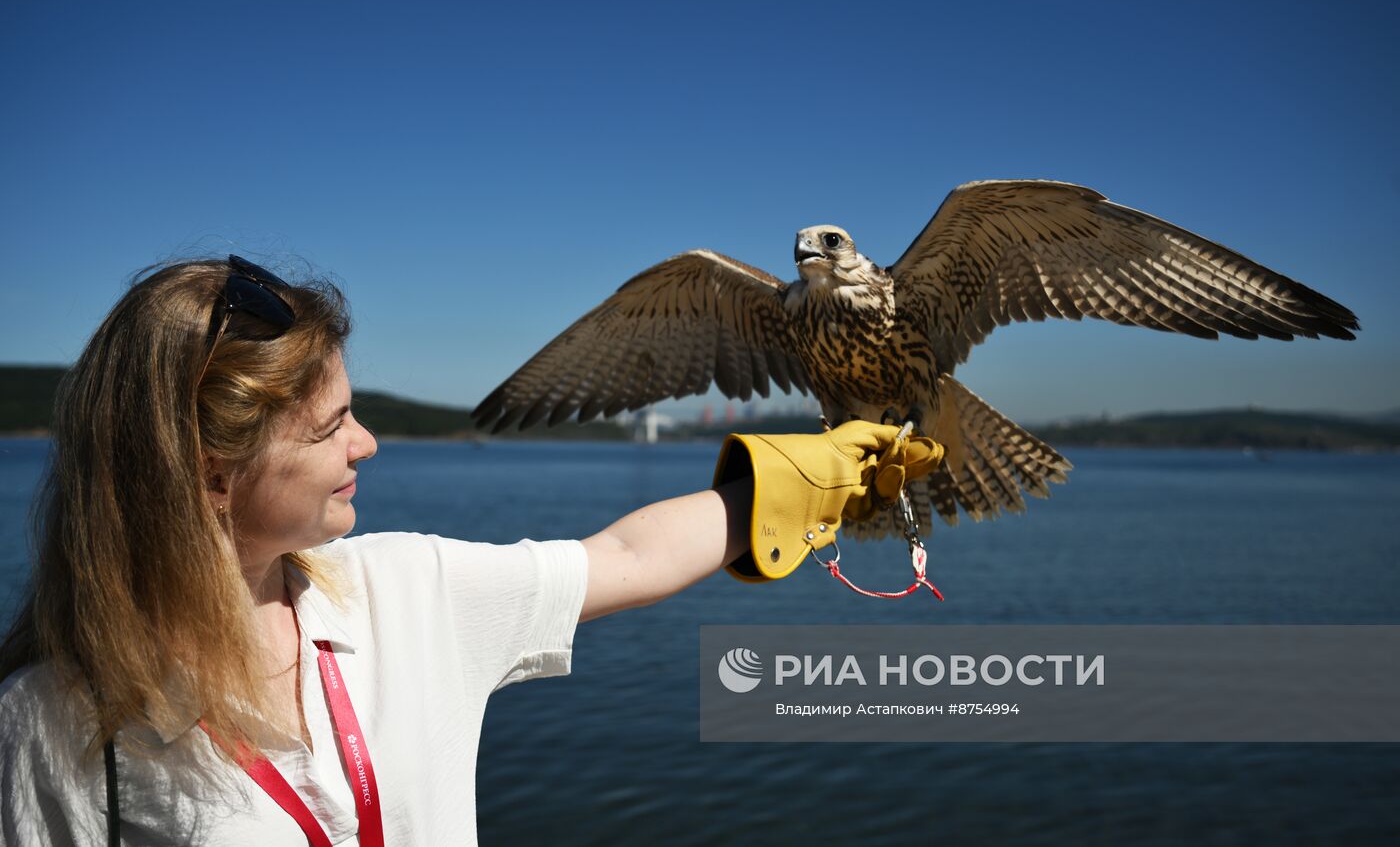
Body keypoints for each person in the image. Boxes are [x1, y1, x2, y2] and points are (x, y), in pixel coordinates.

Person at [0, 256, 939, 845]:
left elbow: (626, 559)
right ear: (209, 475)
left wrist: (803, 474)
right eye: (332, 427)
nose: (367, 444)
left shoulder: (404, 590)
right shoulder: (50, 726)